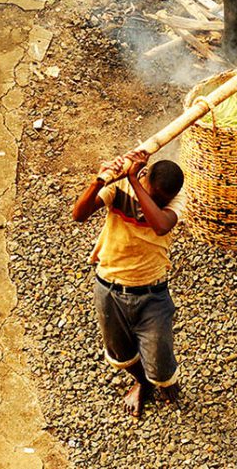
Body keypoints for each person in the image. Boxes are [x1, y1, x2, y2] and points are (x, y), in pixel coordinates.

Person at [72, 150, 186, 416]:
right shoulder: (118, 187)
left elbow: (160, 225)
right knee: (120, 353)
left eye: (161, 200)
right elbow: (79, 215)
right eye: (153, 195)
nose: (155, 203)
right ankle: (142, 382)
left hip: (152, 291)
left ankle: (158, 379)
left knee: (160, 357)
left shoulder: (178, 199)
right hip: (109, 285)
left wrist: (134, 180)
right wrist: (100, 180)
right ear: (146, 176)